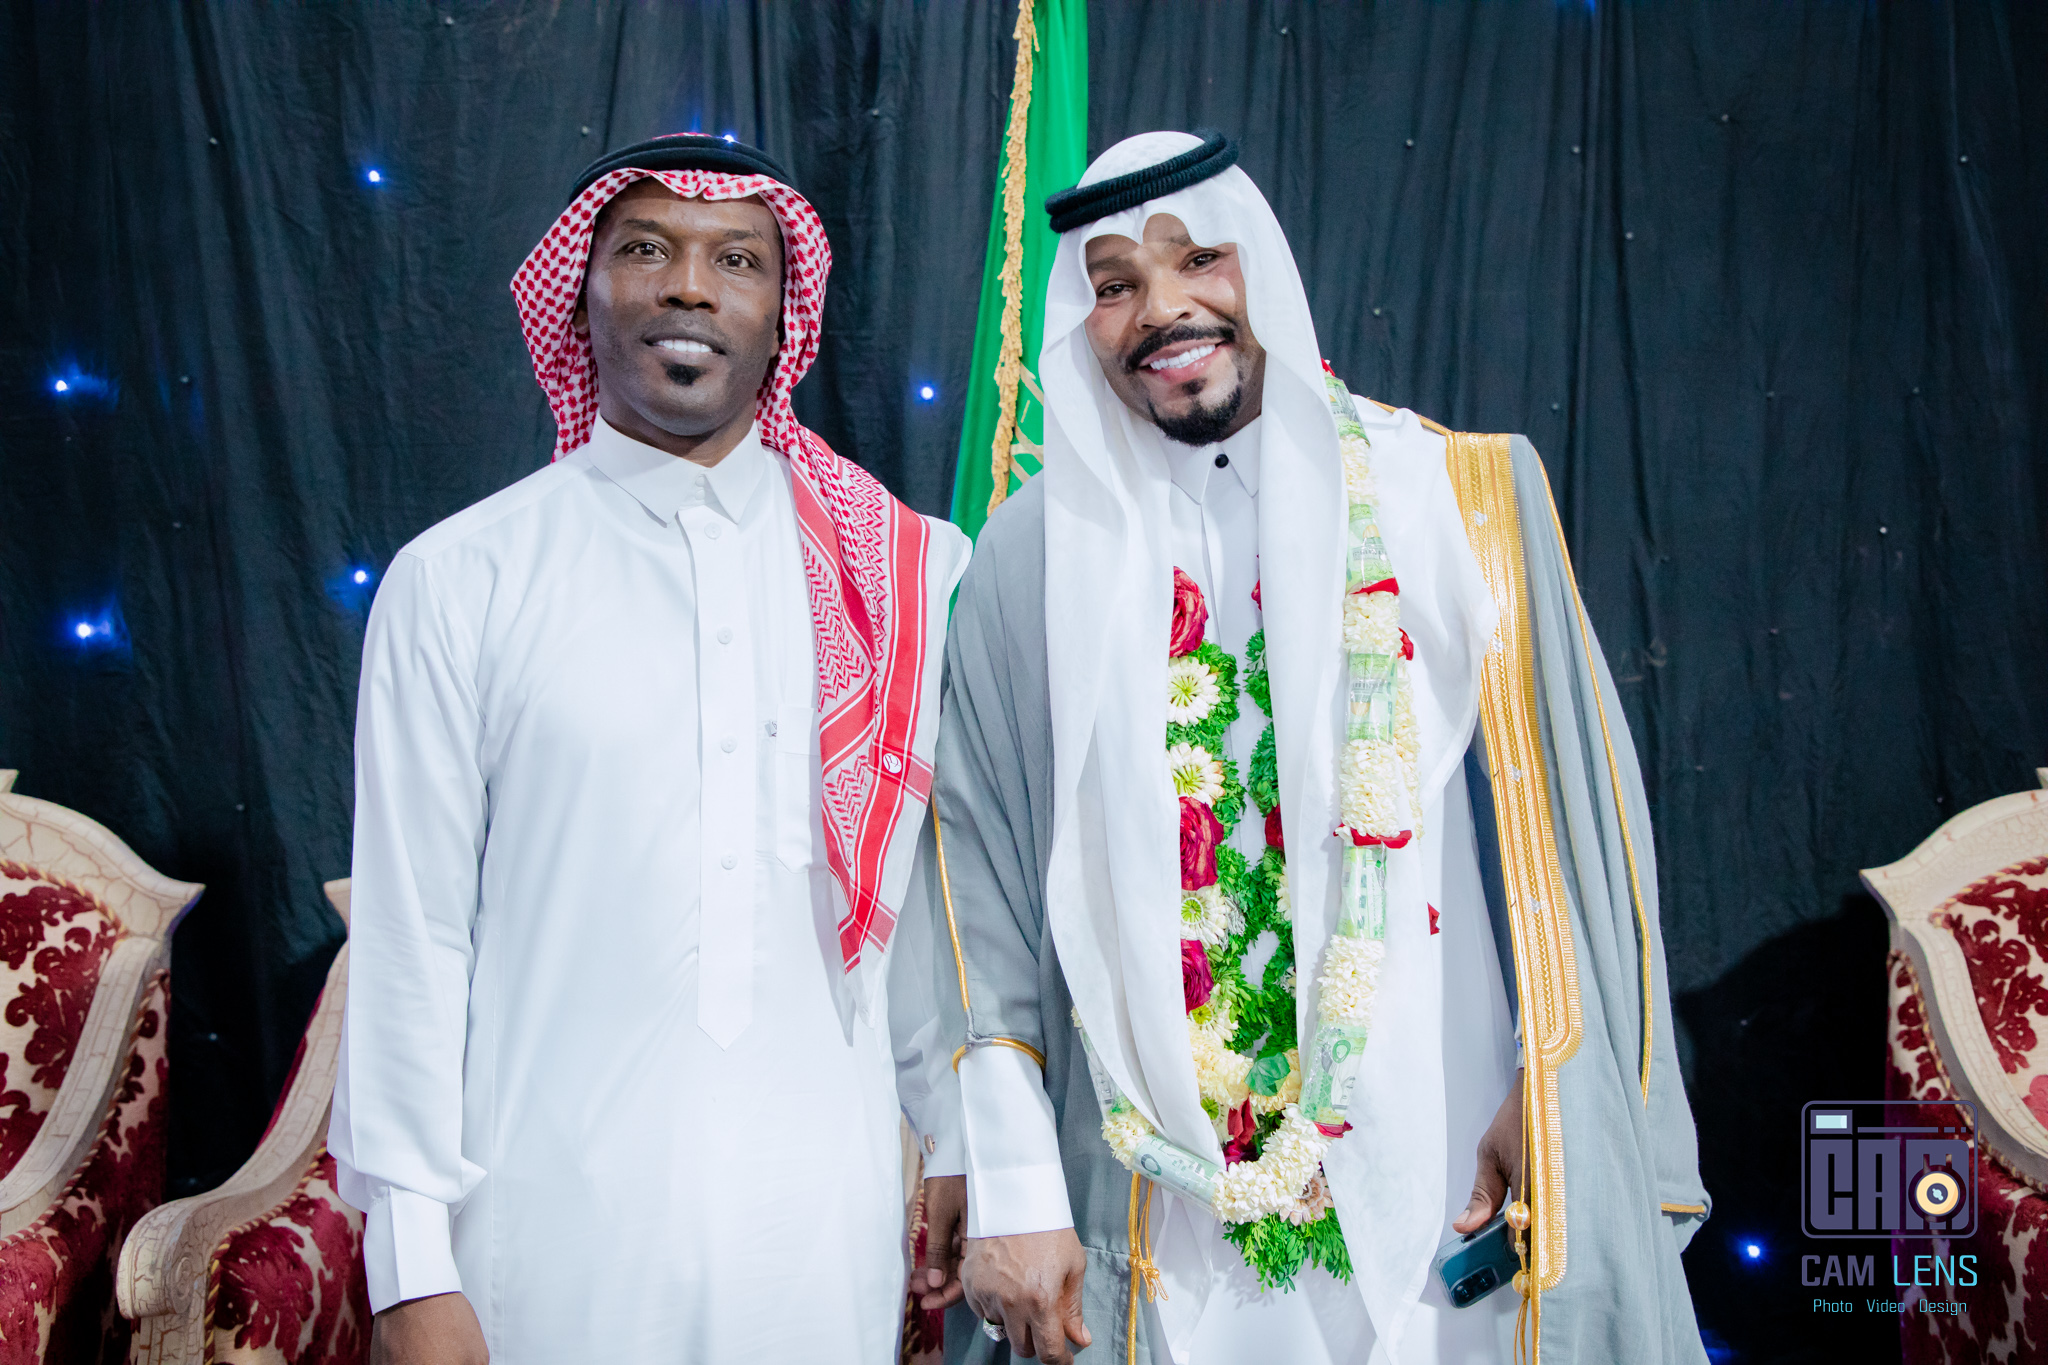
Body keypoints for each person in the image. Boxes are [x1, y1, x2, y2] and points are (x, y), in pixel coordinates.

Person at [915, 131, 1709, 1364]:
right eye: (1115, 282)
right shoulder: (1029, 560)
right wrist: (1014, 1180)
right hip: (1167, 1196)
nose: (1161, 309)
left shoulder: (1456, 495)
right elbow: (979, 893)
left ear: (1262, 268)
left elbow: (1583, 842)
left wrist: (1553, 1087)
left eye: (1198, 259)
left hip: (1454, 1143)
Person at [332, 134, 969, 1363]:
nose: (688, 286)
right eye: (644, 250)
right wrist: (408, 1265)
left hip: (818, 1239)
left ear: (784, 318)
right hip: (542, 1240)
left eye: (736, 260)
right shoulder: (460, 577)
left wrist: (956, 1134)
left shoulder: (905, 574)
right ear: (579, 294)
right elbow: (415, 939)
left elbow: (923, 908)